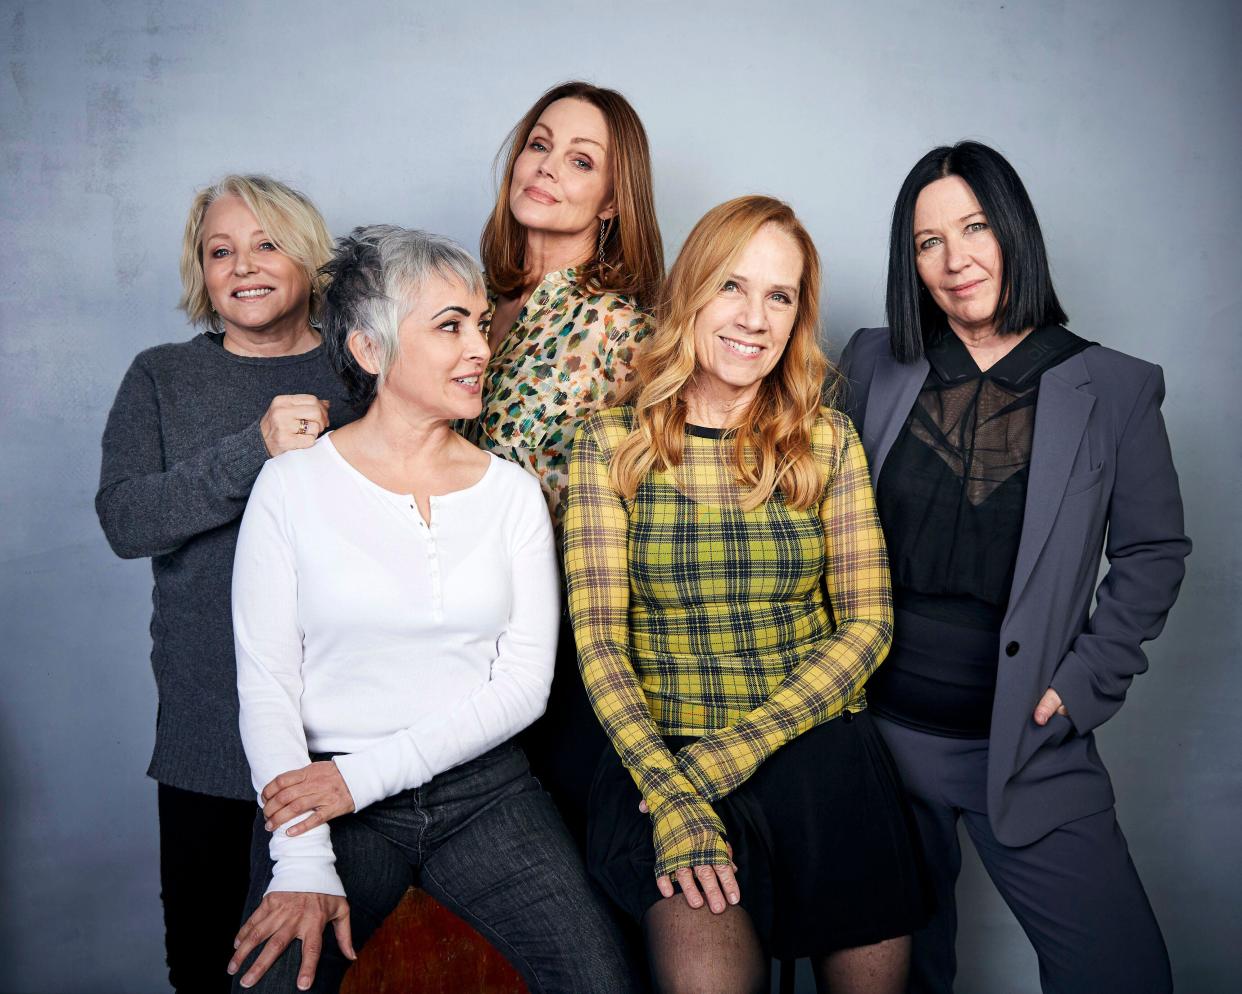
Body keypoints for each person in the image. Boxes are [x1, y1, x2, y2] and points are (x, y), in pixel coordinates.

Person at [226, 225, 634, 993]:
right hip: (328, 801)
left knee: (603, 982)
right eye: (450, 326)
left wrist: (362, 777)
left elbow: (521, 689)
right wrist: (305, 858)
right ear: (371, 351)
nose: (481, 347)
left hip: (486, 794)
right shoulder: (291, 487)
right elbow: (267, 685)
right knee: (272, 983)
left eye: (481, 323)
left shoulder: (511, 494)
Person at [838, 140, 1189, 994]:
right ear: (909, 261)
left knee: (1122, 974)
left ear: (1016, 233)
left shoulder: (1114, 387)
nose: (955, 261)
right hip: (874, 742)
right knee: (900, 979)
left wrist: (1084, 683)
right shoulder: (870, 364)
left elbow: (1154, 551)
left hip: (1026, 739)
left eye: (976, 227)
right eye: (928, 242)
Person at [565, 196, 929, 994]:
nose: (754, 318)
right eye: (732, 286)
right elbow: (598, 641)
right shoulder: (609, 444)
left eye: (780, 296)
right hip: (662, 753)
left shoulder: (826, 439)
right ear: (691, 292)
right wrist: (673, 792)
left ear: (798, 317)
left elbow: (867, 625)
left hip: (819, 756)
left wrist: (730, 756)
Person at [96, 174, 360, 994]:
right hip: (208, 735)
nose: (243, 265)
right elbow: (126, 520)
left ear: (308, 258)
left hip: (342, 741)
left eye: (266, 243)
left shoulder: (363, 370)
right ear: (201, 273)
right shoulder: (160, 376)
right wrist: (255, 446)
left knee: (328, 968)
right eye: (220, 251)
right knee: (213, 968)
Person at [471, 80, 663, 845]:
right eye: (539, 143)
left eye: (580, 161)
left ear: (612, 201)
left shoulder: (628, 332)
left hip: (553, 649)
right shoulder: (464, 299)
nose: (545, 167)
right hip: (440, 632)